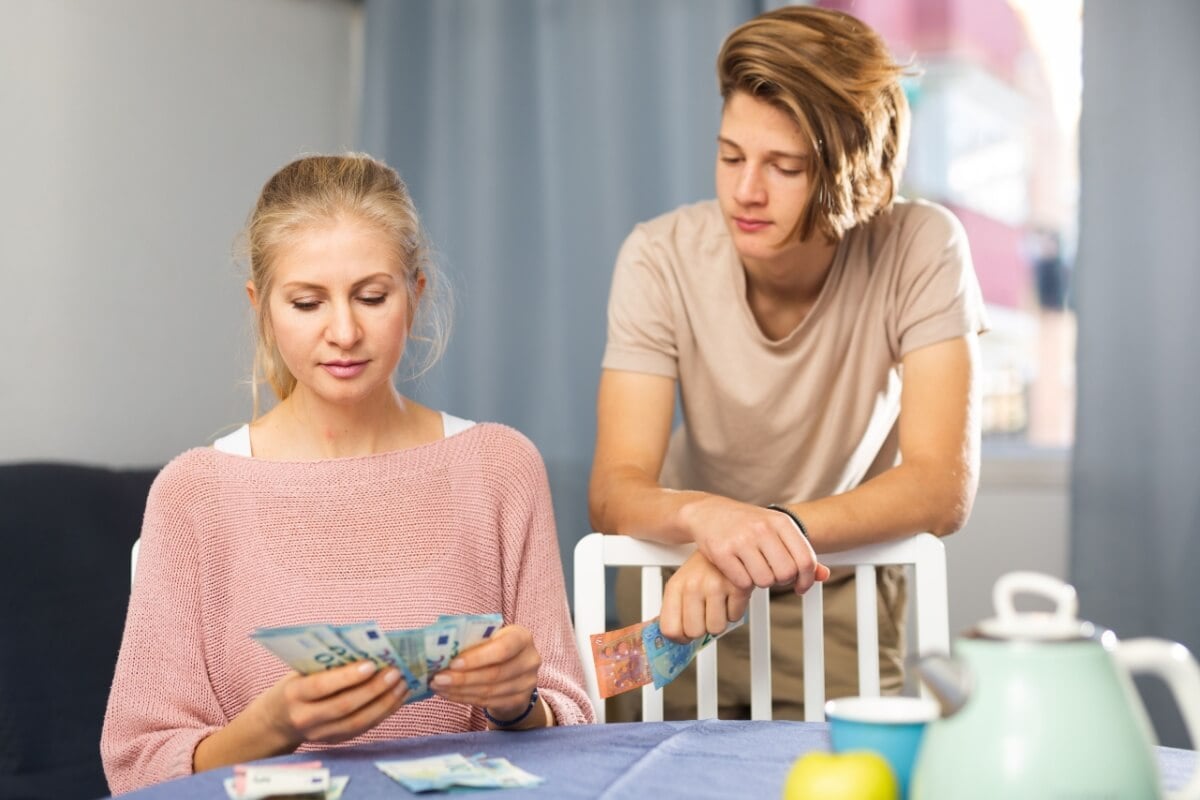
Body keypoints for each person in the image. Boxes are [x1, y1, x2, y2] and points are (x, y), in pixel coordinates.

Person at [101, 153, 594, 794]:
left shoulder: (499, 466)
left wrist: (520, 702)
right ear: (263, 309)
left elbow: (572, 718)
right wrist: (272, 725)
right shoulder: (195, 493)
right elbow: (138, 765)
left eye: (371, 296)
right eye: (307, 302)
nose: (344, 331)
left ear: (415, 294)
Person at [589, 6, 986, 719]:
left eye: (785, 166)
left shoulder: (925, 246)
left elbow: (940, 488)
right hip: (674, 579)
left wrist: (760, 533)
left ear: (852, 172)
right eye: (730, 155)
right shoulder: (656, 255)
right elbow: (615, 491)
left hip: (839, 585)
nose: (745, 191)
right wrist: (715, 524)